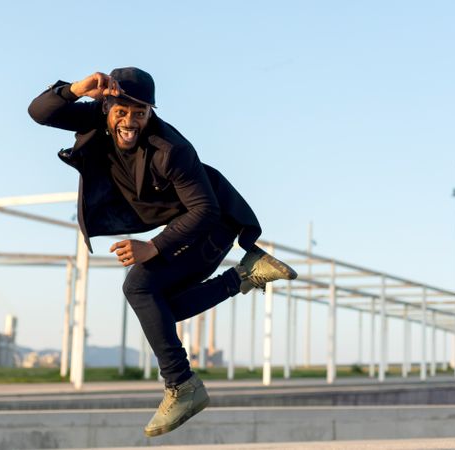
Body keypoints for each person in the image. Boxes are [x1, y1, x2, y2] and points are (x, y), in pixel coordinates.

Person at [28, 67, 297, 437]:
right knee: (160, 308)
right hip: (191, 221)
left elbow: (205, 211)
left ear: (151, 113)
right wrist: (77, 88)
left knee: (138, 287)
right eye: (121, 110)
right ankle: (246, 275)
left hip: (214, 224)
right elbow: (39, 112)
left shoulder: (171, 150)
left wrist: (152, 246)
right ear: (106, 105)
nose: (129, 121)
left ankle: (181, 385)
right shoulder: (94, 116)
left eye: (140, 113)